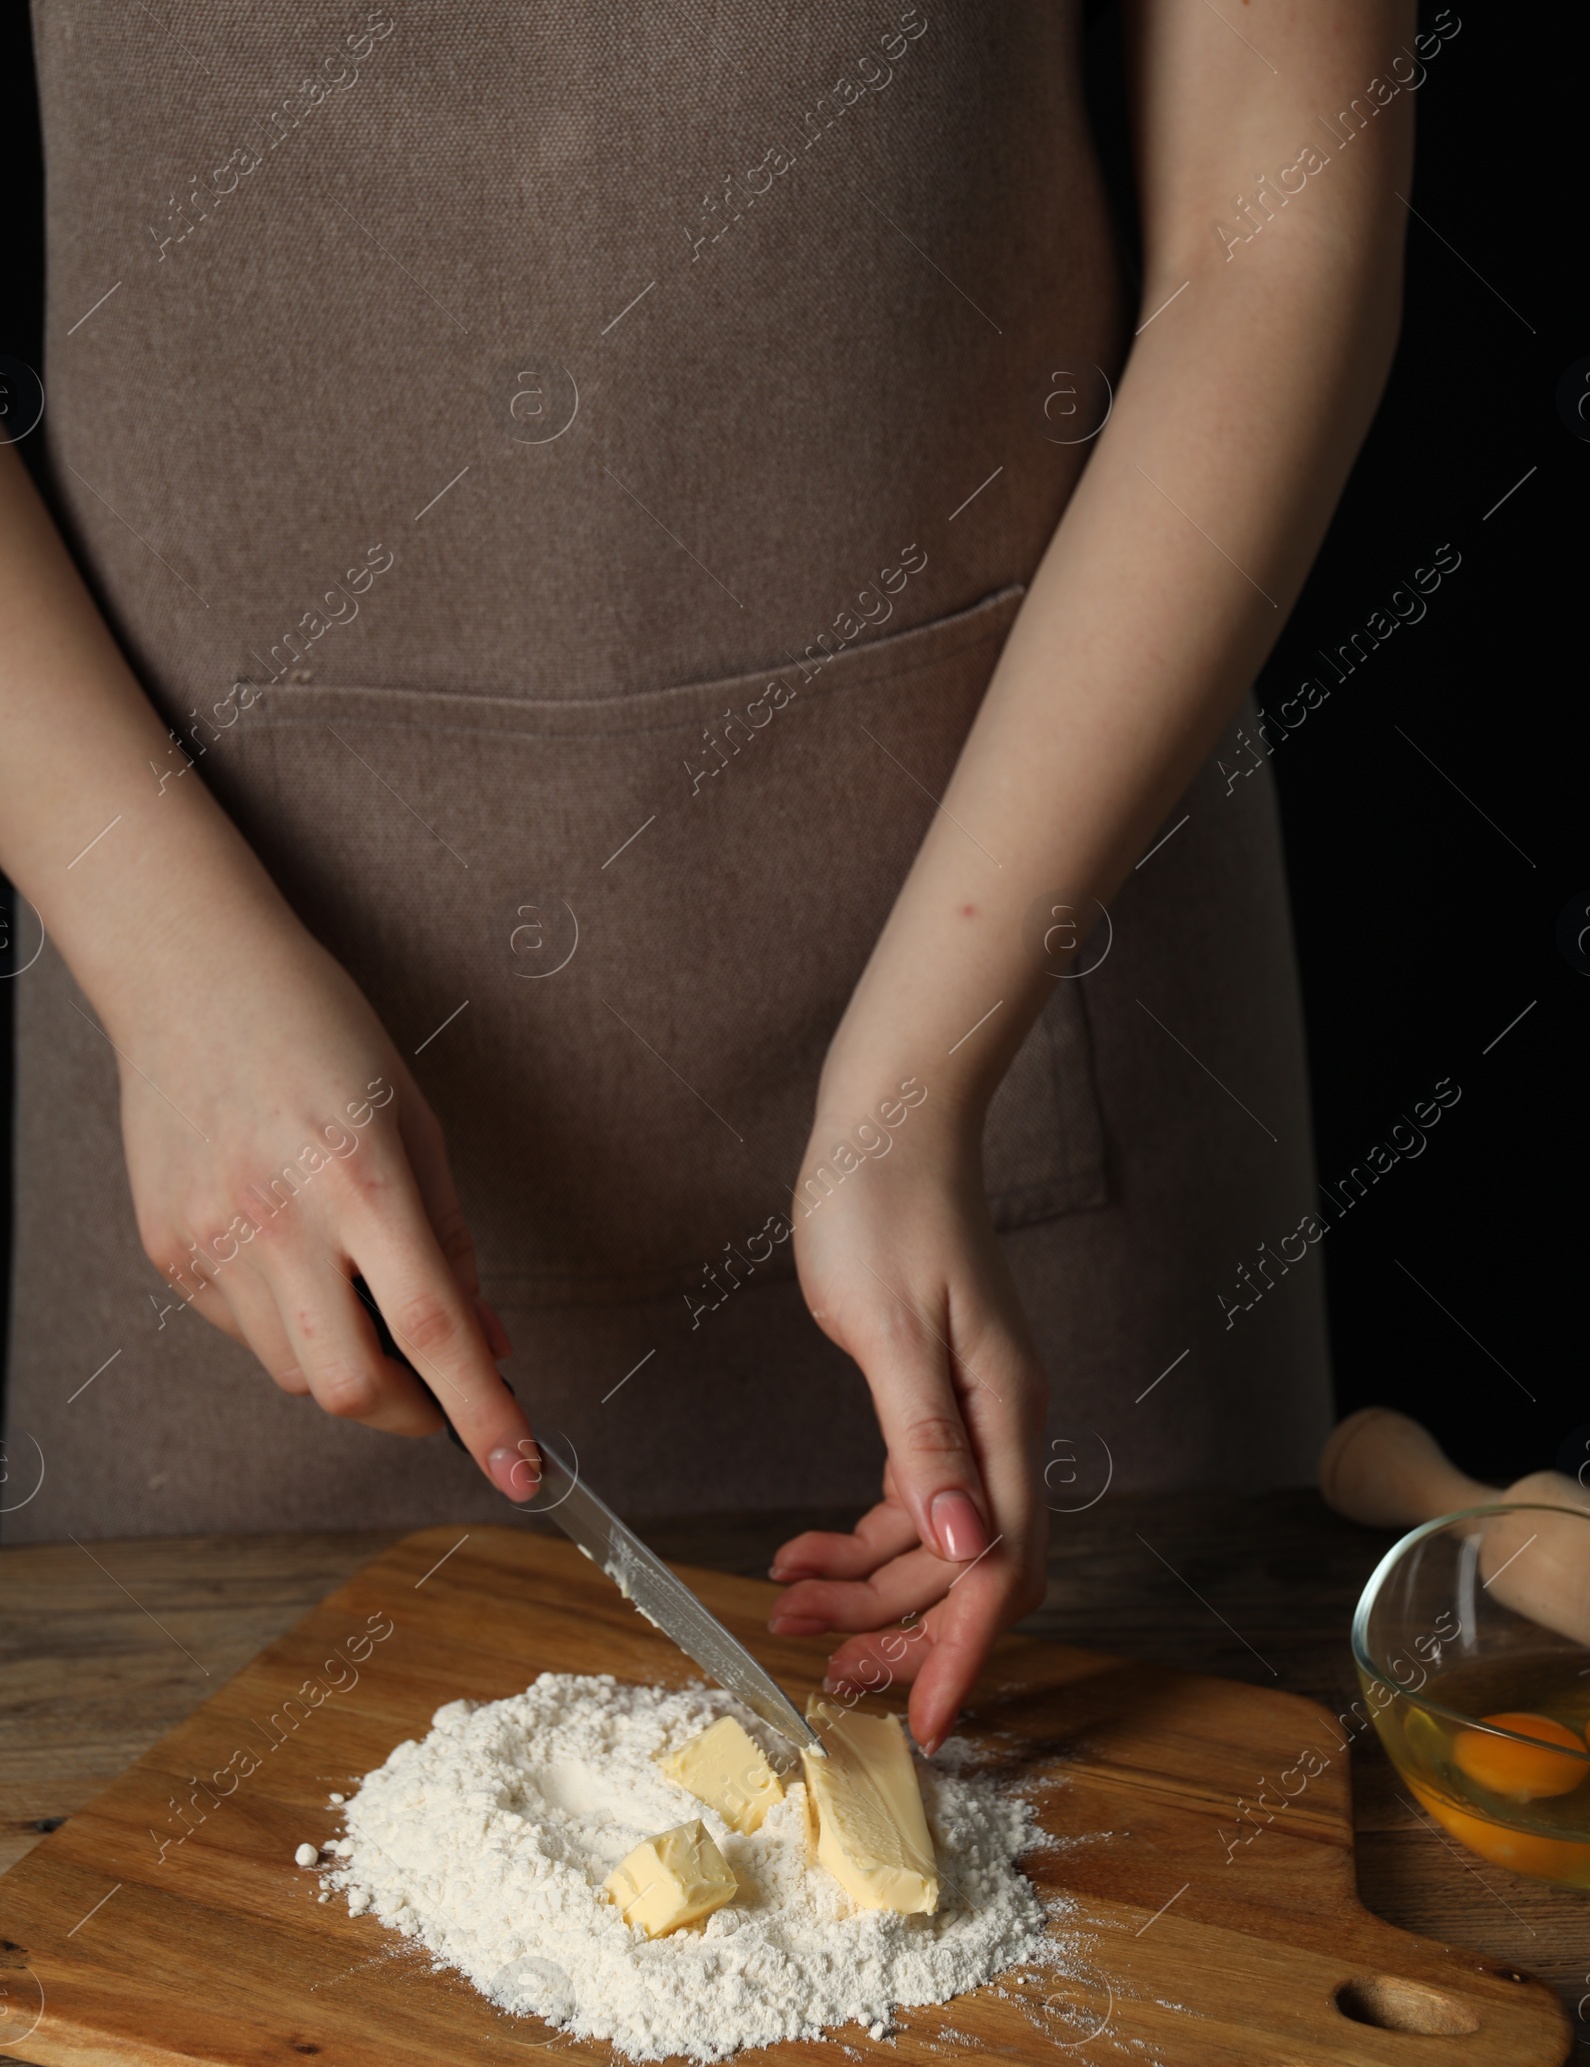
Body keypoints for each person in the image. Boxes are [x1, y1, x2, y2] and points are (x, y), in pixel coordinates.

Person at [0, 2, 1419, 1749]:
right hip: (204, 1077)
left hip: (1040, 1044)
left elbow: (1274, 227)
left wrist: (920, 1076)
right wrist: (157, 942)